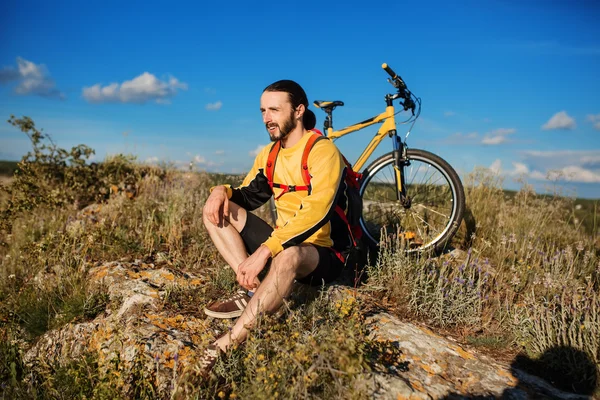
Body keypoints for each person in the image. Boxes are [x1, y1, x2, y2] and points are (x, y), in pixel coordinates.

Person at [197, 79, 353, 376]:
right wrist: (220, 191)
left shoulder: (323, 152)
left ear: (298, 111)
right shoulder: (270, 154)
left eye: (274, 109)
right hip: (284, 242)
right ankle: (253, 291)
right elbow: (248, 194)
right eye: (262, 111)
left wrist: (266, 250)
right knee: (218, 209)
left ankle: (227, 343)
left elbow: (317, 213)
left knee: (288, 255)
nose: (267, 117)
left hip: (323, 254)